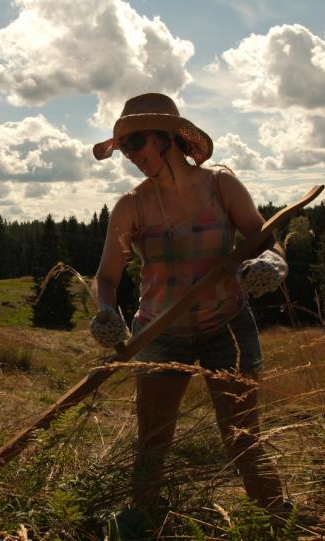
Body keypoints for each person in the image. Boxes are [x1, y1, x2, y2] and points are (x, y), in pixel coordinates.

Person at [89, 93, 289, 516]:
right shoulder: (131, 206)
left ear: (166, 138)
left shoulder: (221, 186)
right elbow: (106, 278)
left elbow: (266, 239)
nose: (130, 155)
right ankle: (143, 521)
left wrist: (272, 263)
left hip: (228, 325)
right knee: (153, 441)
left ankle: (276, 521)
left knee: (241, 437)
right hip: (159, 333)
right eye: (123, 148)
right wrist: (106, 312)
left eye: (136, 142)